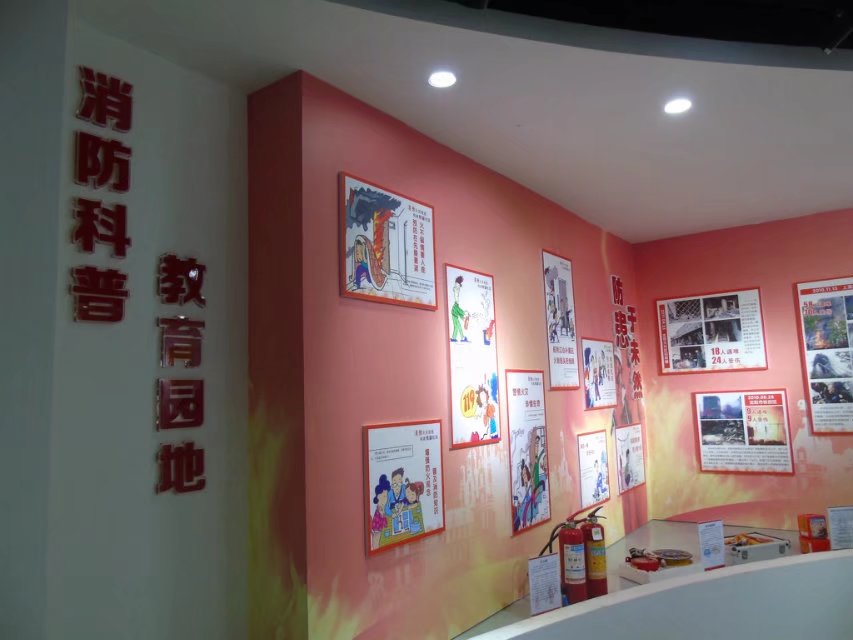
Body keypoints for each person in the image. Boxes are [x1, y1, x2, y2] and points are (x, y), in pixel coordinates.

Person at [371, 475, 391, 550]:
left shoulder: (382, 508)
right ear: (377, 497)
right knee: (377, 538)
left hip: (381, 528)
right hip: (377, 526)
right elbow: (382, 517)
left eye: (385, 496)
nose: (384, 499)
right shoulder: (379, 509)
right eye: (382, 496)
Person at [450, 276, 468, 342]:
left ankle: (456, 338)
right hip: (455, 309)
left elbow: (456, 289)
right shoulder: (456, 287)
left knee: (457, 326)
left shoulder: (456, 287)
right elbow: (456, 290)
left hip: (455, 311)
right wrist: (464, 316)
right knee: (457, 326)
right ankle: (457, 338)